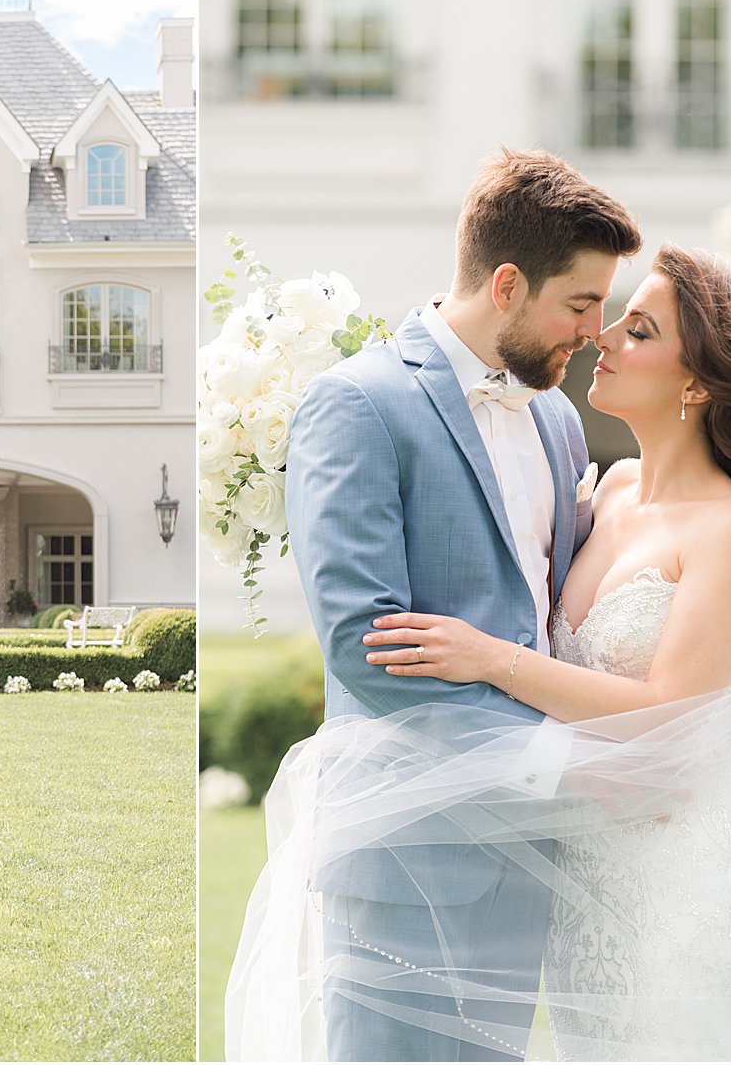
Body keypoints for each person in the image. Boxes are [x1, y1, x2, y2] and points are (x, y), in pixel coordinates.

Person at [228, 237, 731, 1061]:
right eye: (604, 316)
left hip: (681, 866)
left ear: (696, 383)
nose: (602, 338)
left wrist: (489, 658)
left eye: (639, 330)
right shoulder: (603, 488)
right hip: (582, 864)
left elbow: (671, 714)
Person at [228, 148, 642, 1061]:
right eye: (580, 303)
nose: (597, 329)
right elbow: (363, 641)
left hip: (534, 869)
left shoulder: (558, 419)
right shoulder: (358, 404)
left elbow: (550, 619)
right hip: (410, 859)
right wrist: (555, 765)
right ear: (506, 284)